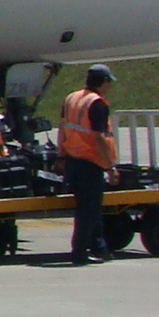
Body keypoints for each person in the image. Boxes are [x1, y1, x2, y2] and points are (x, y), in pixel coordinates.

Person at [57, 65, 116, 264]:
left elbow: (62, 128)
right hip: (90, 162)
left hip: (72, 160)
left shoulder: (71, 98)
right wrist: (110, 167)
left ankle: (99, 247)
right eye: (109, 82)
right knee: (87, 211)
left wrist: (60, 155)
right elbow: (99, 137)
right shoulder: (97, 103)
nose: (109, 86)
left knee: (91, 208)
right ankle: (79, 253)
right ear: (103, 81)